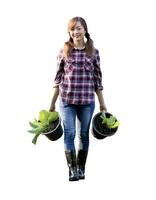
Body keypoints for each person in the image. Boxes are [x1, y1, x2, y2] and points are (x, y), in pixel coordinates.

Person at [49, 17, 107, 181]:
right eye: (73, 29)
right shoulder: (64, 51)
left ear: (85, 30)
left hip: (87, 101)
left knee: (83, 135)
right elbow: (57, 79)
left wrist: (102, 103)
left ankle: (81, 168)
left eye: (79, 28)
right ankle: (72, 169)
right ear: (69, 31)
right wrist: (52, 103)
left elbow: (98, 81)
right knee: (69, 133)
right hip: (67, 100)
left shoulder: (93, 52)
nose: (76, 31)